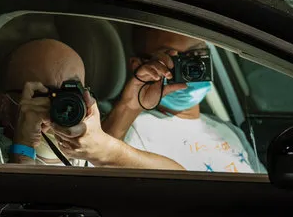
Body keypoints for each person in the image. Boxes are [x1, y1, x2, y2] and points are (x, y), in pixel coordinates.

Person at [0, 38, 184, 170]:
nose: (61, 104)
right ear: (3, 106)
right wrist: (23, 150)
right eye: (43, 94)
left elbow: (181, 182)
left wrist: (105, 150)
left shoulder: (92, 148)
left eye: (71, 92)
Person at [102, 26, 266, 173]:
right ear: (138, 65)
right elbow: (100, 153)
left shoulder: (230, 132)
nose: (188, 66)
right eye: (170, 58)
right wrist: (131, 106)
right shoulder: (132, 129)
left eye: (196, 54)